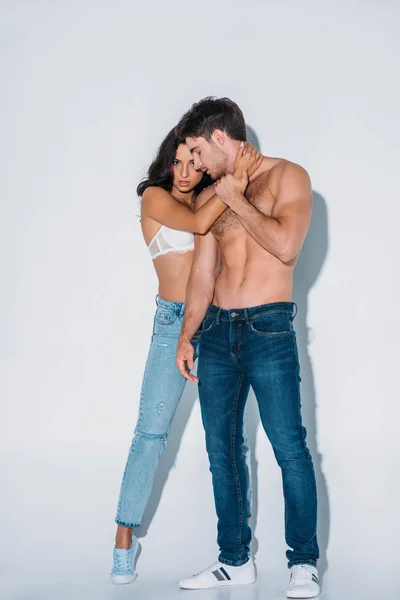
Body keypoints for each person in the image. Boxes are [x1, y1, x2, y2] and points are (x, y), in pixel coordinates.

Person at [175, 97, 320, 598]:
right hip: (215, 332)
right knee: (222, 451)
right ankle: (234, 561)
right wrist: (186, 335)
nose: (194, 165)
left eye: (197, 152)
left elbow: (285, 246)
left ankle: (303, 562)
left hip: (268, 327)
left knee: (289, 448)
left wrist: (236, 198)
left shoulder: (289, 178)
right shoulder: (211, 196)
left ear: (221, 139)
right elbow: (202, 272)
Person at [110, 126, 262, 584]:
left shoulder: (207, 199)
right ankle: (123, 538)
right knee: (151, 433)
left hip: (217, 320)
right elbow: (198, 227)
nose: (184, 172)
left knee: (228, 441)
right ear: (166, 162)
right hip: (172, 323)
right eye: (178, 162)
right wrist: (230, 187)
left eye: (195, 163)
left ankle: (236, 554)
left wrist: (230, 183)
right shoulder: (155, 199)